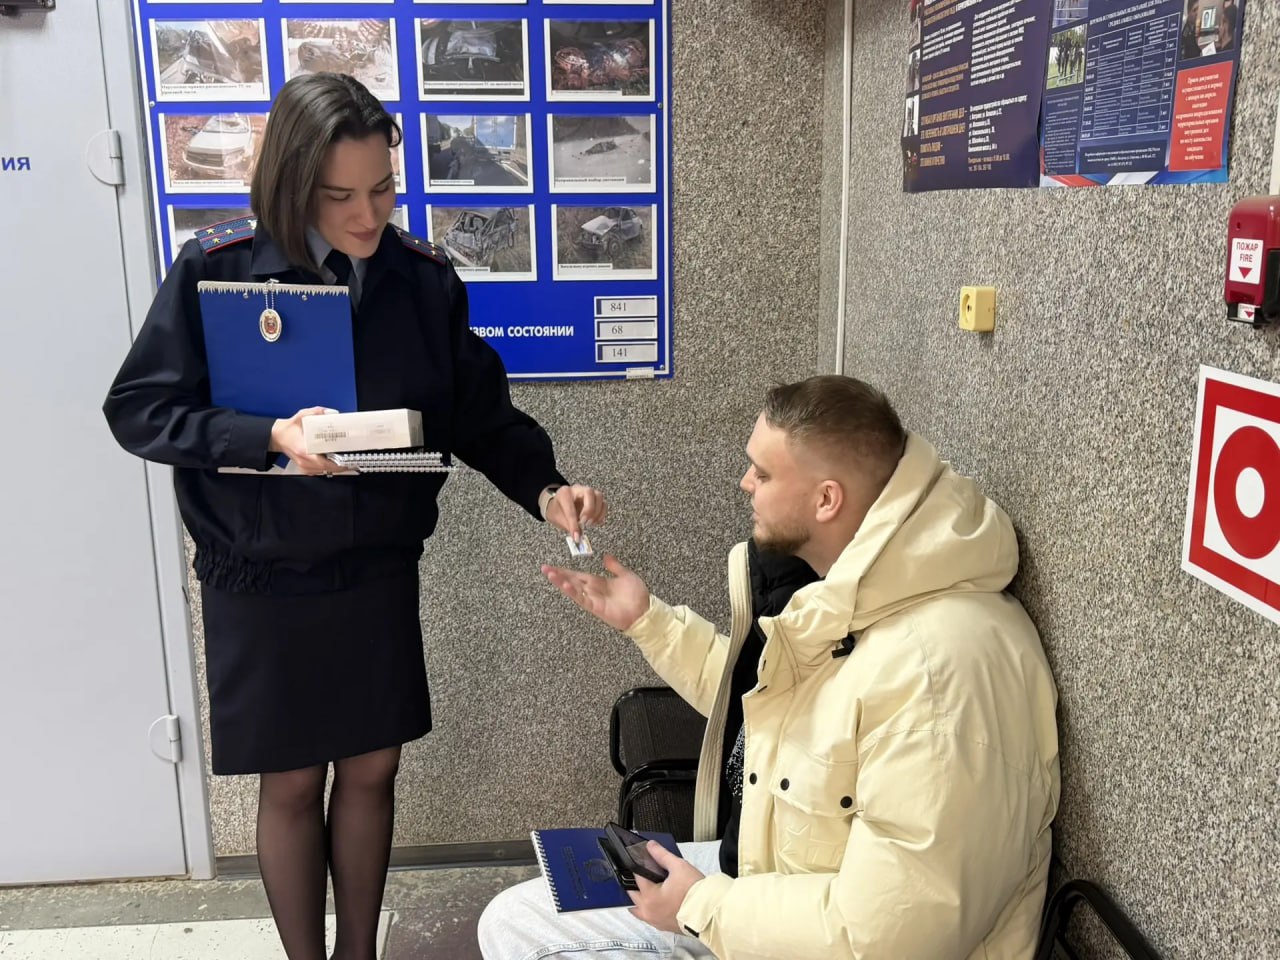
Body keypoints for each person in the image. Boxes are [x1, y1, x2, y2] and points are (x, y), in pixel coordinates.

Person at [103, 72, 605, 960]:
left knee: (374, 765)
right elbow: (140, 409)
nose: (368, 215)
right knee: (294, 779)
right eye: (340, 196)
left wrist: (545, 487)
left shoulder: (421, 281)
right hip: (261, 570)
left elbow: (480, 414)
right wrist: (268, 436)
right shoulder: (217, 271)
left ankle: (358, 954)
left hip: (374, 564)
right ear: (294, 184)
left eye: (383, 189)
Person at [479, 375, 1060, 960]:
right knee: (513, 920)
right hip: (770, 881)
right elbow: (766, 705)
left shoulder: (943, 674)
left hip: (822, 935)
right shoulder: (855, 598)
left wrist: (699, 906)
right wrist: (646, 620)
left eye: (762, 472)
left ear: (826, 499)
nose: (745, 483)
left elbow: (890, 937)